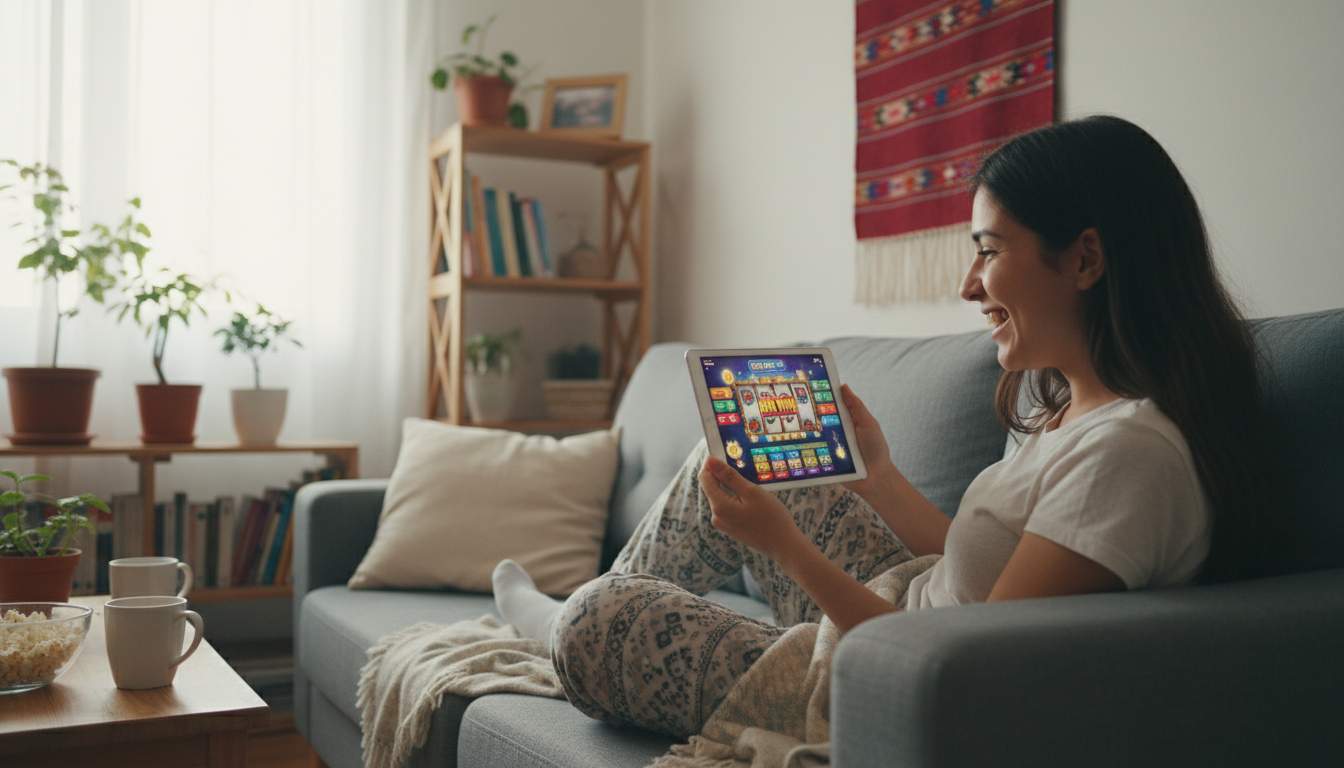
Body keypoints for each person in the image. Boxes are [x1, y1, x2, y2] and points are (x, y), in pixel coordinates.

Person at [490, 115, 1273, 740]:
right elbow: (978, 576)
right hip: (901, 612)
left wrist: (785, 549)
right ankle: (571, 620)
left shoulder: (1128, 456)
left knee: (601, 622)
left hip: (881, 677)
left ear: (1086, 260)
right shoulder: (1070, 410)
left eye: (990, 251)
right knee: (738, 457)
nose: (970, 285)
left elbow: (973, 666)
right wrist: (877, 474)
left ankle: (573, 623)